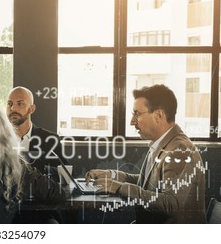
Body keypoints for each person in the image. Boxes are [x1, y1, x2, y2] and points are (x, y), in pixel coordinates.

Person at [86, 84, 206, 223]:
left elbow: (170, 204)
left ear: (158, 115)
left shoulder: (180, 150)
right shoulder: (164, 143)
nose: (132, 122)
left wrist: (118, 187)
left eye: (137, 114)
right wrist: (112, 175)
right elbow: (146, 183)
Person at [7, 86, 68, 181]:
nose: (13, 108)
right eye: (9, 104)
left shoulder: (51, 139)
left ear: (31, 109)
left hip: (39, 194)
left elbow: (64, 174)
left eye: (20, 103)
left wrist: (38, 169)